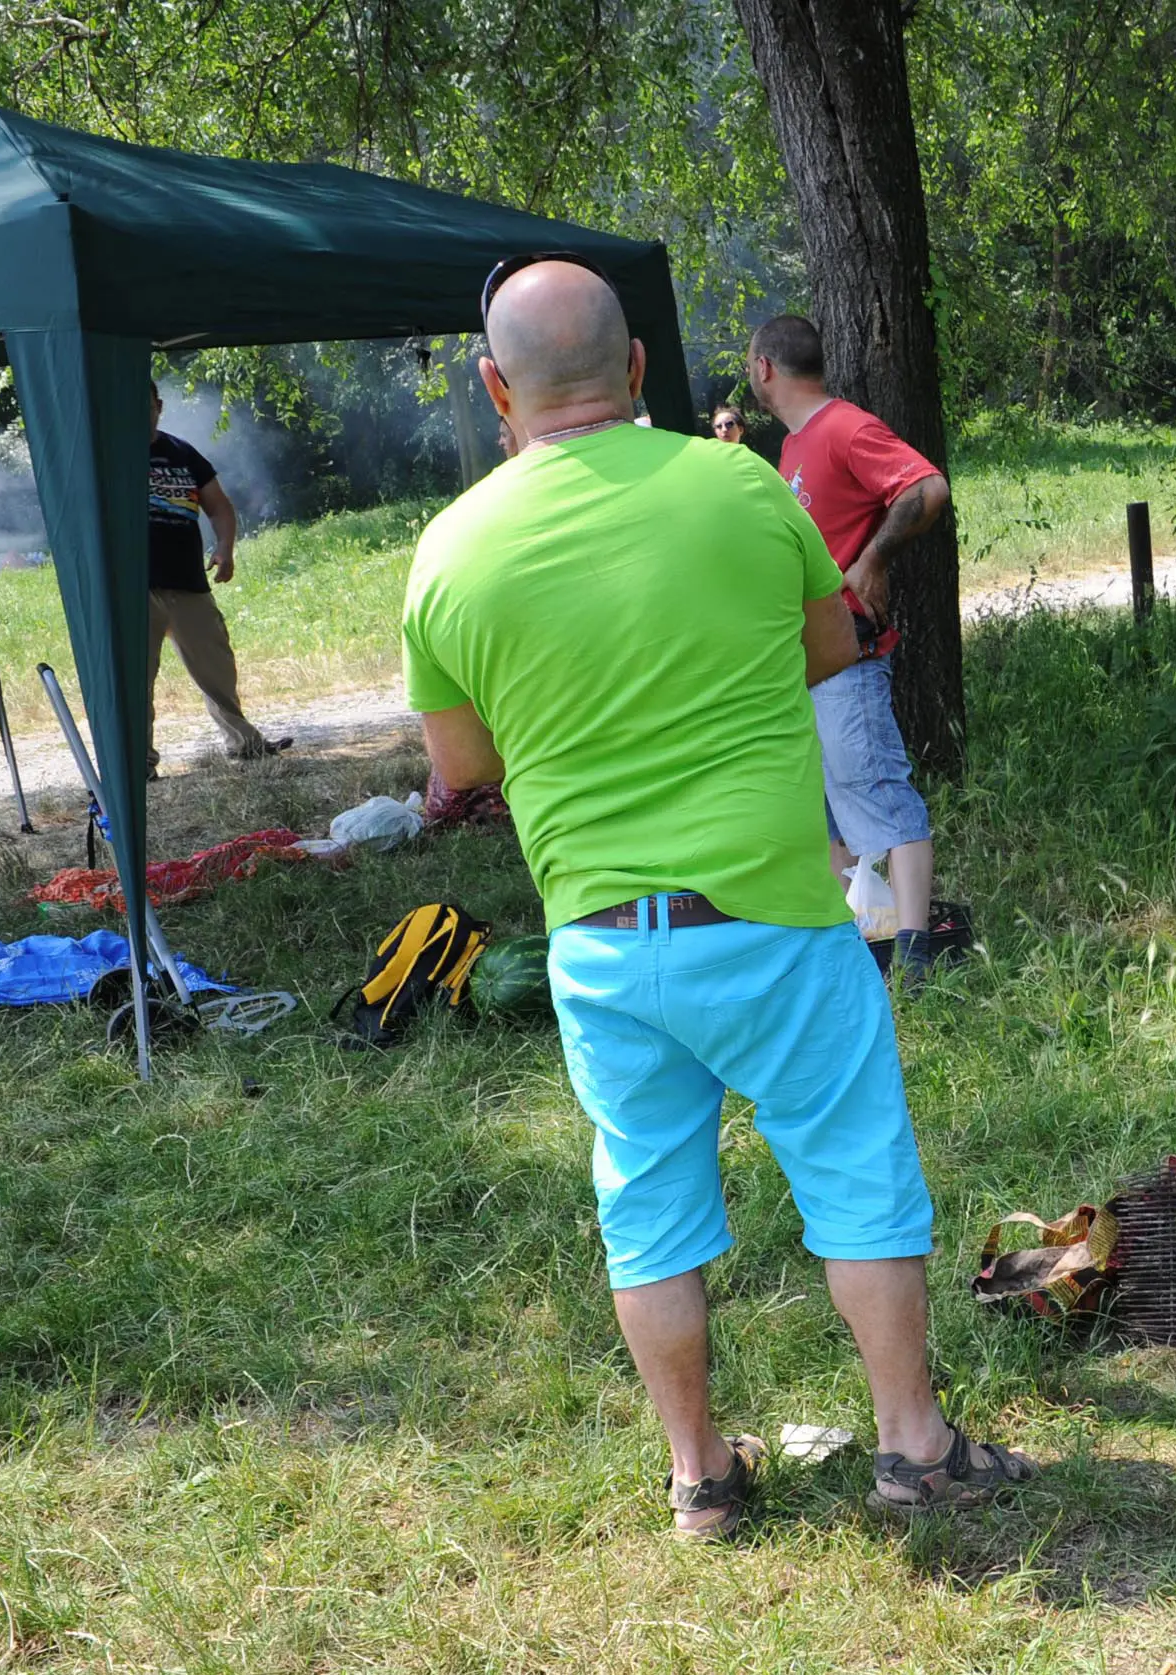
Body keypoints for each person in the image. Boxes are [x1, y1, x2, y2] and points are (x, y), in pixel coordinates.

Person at [403, 255, 1030, 1539]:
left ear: (494, 387)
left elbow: (461, 772)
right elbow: (824, 650)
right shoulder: (741, 485)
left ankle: (701, 1476)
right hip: (772, 922)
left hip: (601, 944)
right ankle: (911, 1446)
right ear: (638, 369)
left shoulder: (449, 550)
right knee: (857, 1172)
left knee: (649, 1207)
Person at [746, 316, 949, 982]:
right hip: (812, 660)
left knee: (879, 789)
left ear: (765, 367)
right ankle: (858, 933)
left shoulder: (845, 428)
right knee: (828, 801)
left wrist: (872, 559)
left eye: (750, 362)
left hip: (852, 657)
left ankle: (916, 950)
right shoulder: (794, 446)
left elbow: (926, 487)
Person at [146, 383, 290, 774]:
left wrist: (225, 548)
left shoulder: (183, 453)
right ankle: (137, 762)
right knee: (136, 679)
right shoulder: (110, 454)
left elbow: (220, 508)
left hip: (189, 583)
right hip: (136, 587)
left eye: (146, 404)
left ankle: (245, 744)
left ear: (158, 406)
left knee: (218, 669)